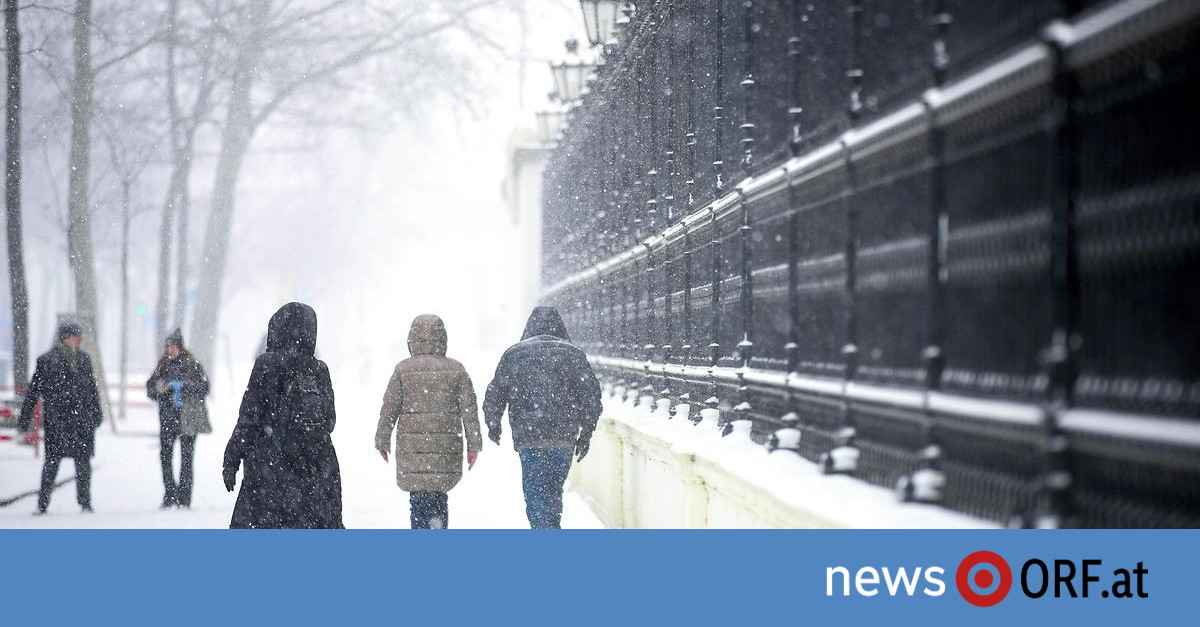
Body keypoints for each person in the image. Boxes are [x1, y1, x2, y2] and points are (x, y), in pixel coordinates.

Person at [221, 302, 343, 529]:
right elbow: (330, 420)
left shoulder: (266, 365)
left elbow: (249, 418)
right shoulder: (319, 369)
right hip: (316, 470)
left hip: (270, 470)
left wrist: (231, 459)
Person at [482, 306, 602, 529]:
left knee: (536, 496)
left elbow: (496, 392)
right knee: (553, 493)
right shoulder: (574, 354)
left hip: (529, 438)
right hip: (563, 438)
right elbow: (591, 397)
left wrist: (493, 423)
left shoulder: (514, 354)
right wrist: (586, 433)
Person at [375, 314, 482, 529]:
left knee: (417, 499)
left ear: (411, 339)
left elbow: (389, 409)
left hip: (412, 448)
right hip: (445, 446)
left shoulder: (402, 370)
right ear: (442, 338)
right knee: (439, 496)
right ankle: (437, 528)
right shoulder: (456, 370)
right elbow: (469, 410)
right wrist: (474, 445)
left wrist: (382, 440)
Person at [17, 322, 104, 514]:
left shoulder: (84, 359)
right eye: (76, 336)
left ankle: (85, 503)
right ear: (65, 338)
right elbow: (33, 392)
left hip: (82, 422)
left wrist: (96, 413)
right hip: (58, 422)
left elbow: (91, 389)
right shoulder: (47, 360)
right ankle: (43, 504)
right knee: (52, 463)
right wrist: (24, 420)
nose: (79, 340)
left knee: (83, 464)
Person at [145, 329, 211, 509]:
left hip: (187, 418)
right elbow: (150, 388)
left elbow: (204, 387)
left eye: (173, 346)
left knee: (187, 459)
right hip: (167, 418)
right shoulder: (162, 366)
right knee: (165, 456)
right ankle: (170, 494)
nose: (170, 350)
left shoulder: (193, 365)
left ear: (180, 347)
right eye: (167, 347)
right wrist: (158, 389)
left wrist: (181, 387)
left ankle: (184, 497)